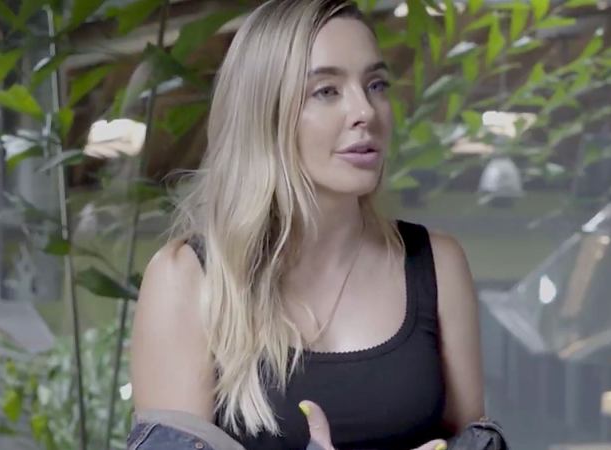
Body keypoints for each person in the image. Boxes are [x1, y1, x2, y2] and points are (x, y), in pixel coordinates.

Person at [128, 0, 484, 448]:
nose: (366, 111)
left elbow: (473, 439)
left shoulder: (436, 264)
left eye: (375, 85)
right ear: (265, 112)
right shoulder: (187, 279)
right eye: (326, 91)